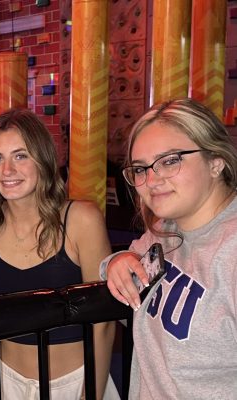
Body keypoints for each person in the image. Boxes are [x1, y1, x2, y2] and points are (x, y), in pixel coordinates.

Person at [0, 109, 118, 399]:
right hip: (5, 382)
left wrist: (91, 394)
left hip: (74, 384)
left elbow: (103, 323)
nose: (7, 170)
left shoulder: (81, 219)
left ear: (43, 159)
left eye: (20, 156)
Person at [101, 98, 237, 399]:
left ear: (216, 162)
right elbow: (130, 257)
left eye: (170, 160)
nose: (151, 180)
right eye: (140, 168)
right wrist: (117, 261)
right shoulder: (166, 228)